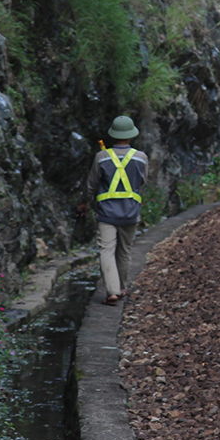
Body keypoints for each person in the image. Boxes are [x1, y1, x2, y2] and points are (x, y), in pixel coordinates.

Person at [79, 115, 149, 305]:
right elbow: (142, 181)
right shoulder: (141, 158)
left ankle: (112, 291)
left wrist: (85, 202)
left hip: (107, 213)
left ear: (113, 134)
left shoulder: (101, 157)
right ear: (131, 135)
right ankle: (122, 287)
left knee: (106, 251)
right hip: (130, 212)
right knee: (124, 251)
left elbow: (91, 184)